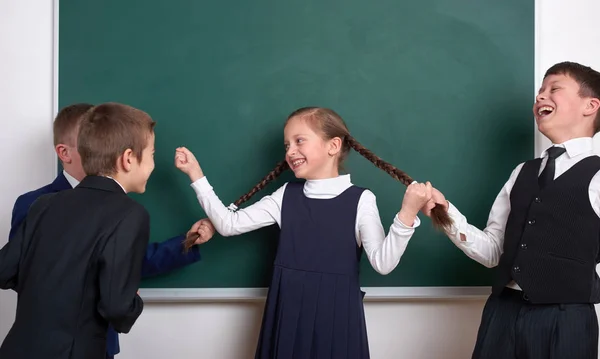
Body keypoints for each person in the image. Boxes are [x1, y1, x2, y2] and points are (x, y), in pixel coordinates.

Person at [175, 106, 436, 358]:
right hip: (286, 310)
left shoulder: (361, 200)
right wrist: (195, 175)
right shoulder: (285, 196)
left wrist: (407, 214)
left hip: (336, 316)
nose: (291, 151)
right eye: (287, 145)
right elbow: (228, 224)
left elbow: (383, 262)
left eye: (300, 141)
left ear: (333, 146)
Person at [8, 103, 215, 359]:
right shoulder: (128, 213)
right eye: (151, 155)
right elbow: (117, 307)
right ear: (128, 158)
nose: (153, 165)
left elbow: (5, 270)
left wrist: (186, 242)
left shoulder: (44, 205)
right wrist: (132, 300)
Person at [422, 61, 600, 359]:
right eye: (539, 91)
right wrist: (447, 215)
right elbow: (494, 251)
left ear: (590, 105)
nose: (541, 97)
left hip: (565, 318)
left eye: (554, 89)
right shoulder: (522, 172)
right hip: (501, 313)